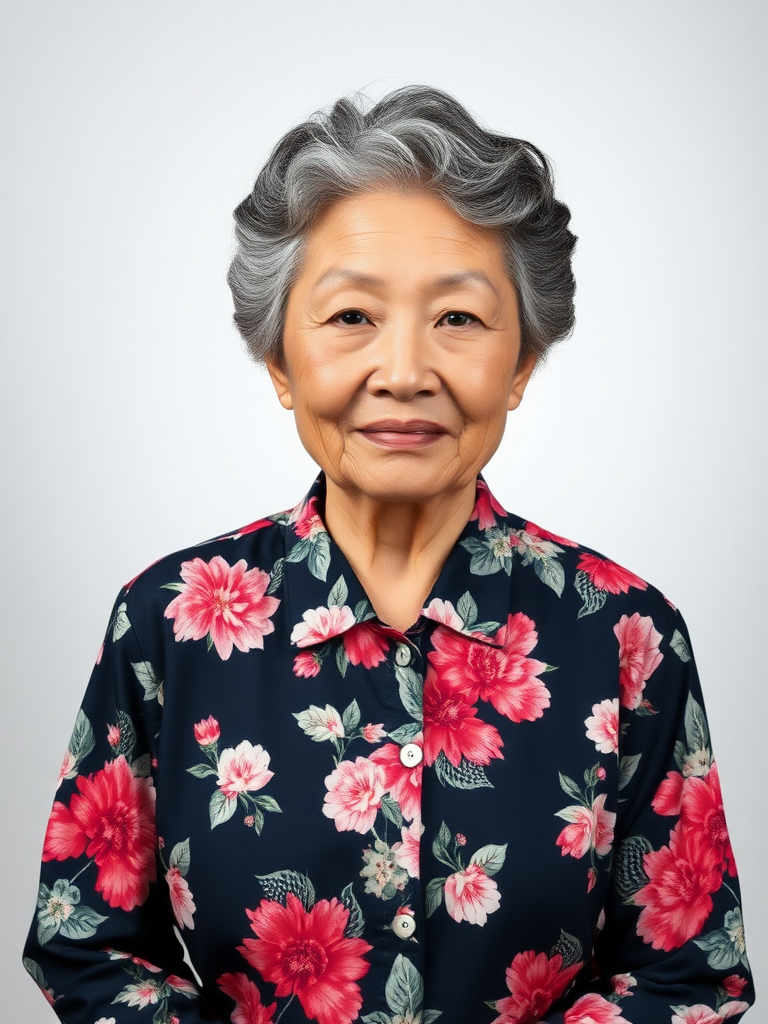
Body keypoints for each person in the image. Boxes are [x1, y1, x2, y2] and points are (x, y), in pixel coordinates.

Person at [23, 85, 754, 1024]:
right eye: (351, 317)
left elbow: (689, 974)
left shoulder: (624, 633)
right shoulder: (168, 622)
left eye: (458, 319)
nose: (405, 372)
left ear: (522, 362)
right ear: (280, 362)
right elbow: (87, 947)